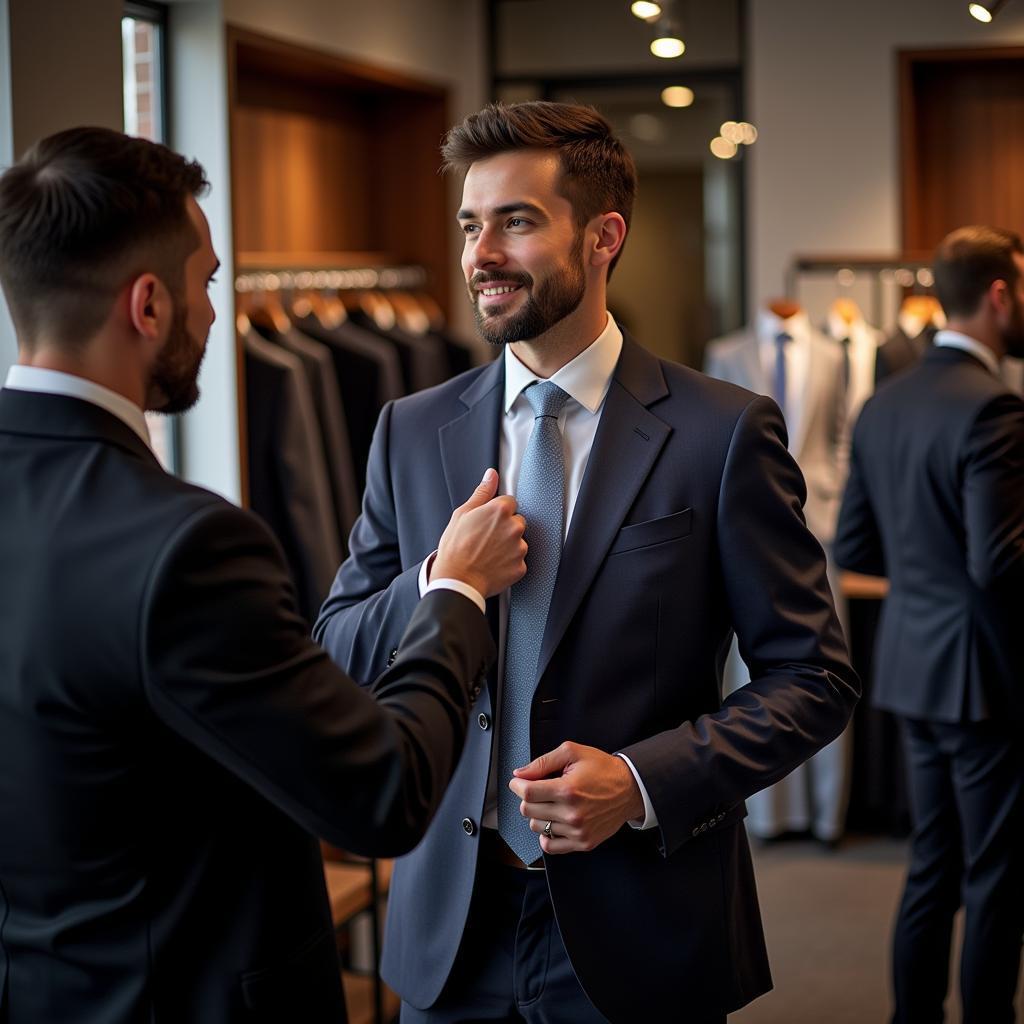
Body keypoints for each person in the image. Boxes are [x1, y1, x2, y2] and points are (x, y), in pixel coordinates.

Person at [314, 100, 859, 1024]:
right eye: (470, 224)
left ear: (604, 236)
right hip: (453, 929)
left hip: (645, 925)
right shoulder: (410, 430)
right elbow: (337, 649)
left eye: (516, 222)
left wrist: (646, 782)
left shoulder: (721, 433)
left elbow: (814, 677)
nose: (480, 254)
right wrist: (443, 578)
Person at [0, 126, 528, 1024]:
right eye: (206, 283)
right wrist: (456, 592)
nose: (215, 315)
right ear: (148, 306)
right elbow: (381, 794)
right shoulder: (188, 547)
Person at [835, 225, 1024, 1024]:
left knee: (930, 867)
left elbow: (851, 547)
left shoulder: (882, 405)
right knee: (995, 875)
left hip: (911, 669)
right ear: (999, 294)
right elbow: (1000, 565)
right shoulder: (996, 410)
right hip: (987, 680)